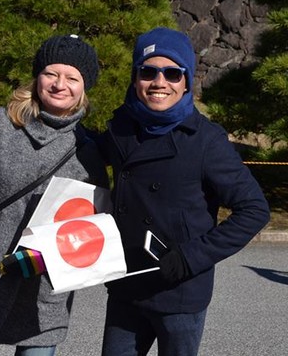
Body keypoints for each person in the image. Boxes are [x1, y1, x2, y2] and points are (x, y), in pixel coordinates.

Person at [99, 27, 270, 356]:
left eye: (172, 73)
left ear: (187, 81)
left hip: (180, 291)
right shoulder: (122, 126)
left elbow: (254, 210)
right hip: (127, 283)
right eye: (148, 72)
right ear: (135, 78)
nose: (159, 82)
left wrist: (191, 257)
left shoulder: (206, 140)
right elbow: (88, 156)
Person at [0, 34, 109, 356]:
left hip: (44, 284)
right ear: (36, 77)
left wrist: (51, 256)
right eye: (50, 73)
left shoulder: (87, 149)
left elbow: (90, 229)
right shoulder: (1, 124)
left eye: (72, 78)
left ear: (84, 87)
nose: (59, 84)